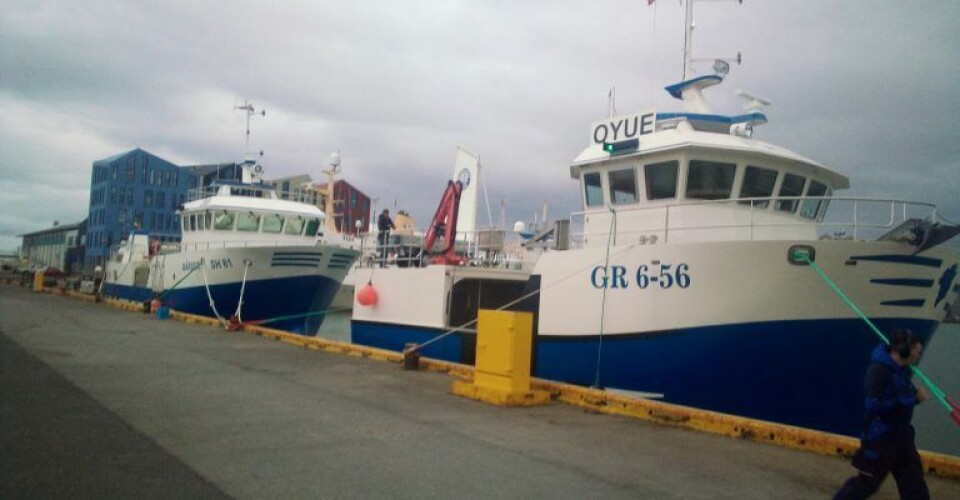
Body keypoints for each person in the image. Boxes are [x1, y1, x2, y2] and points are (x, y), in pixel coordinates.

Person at [834, 329, 929, 500]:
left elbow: (900, 396)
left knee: (914, 484)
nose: (918, 354)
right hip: (881, 437)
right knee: (866, 484)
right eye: (916, 350)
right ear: (904, 349)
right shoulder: (879, 370)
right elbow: (873, 404)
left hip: (902, 436)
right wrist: (913, 399)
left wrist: (912, 398)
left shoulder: (902, 369)